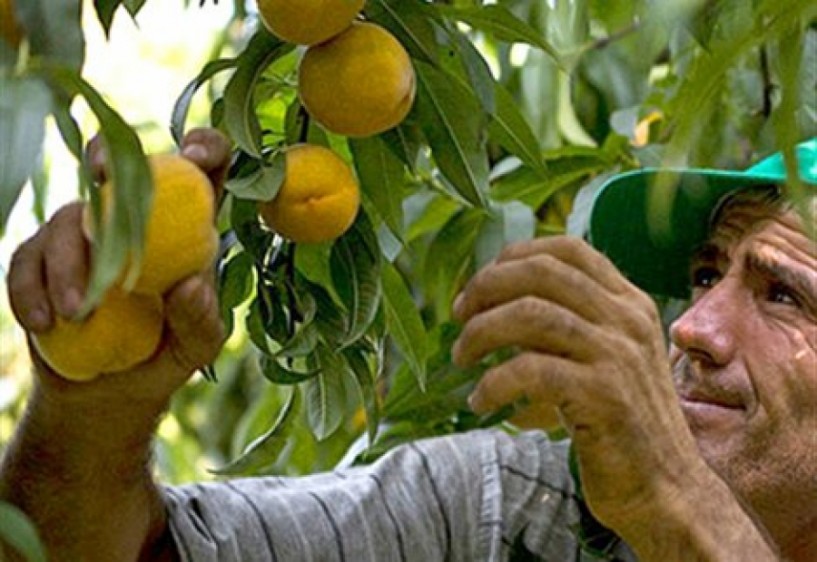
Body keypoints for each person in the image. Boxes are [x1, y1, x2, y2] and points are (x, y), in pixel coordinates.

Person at [1, 129, 814, 562]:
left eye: (783, 294)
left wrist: (682, 513)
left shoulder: (646, 493)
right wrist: (97, 406)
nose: (691, 326)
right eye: (707, 276)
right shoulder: (527, 511)